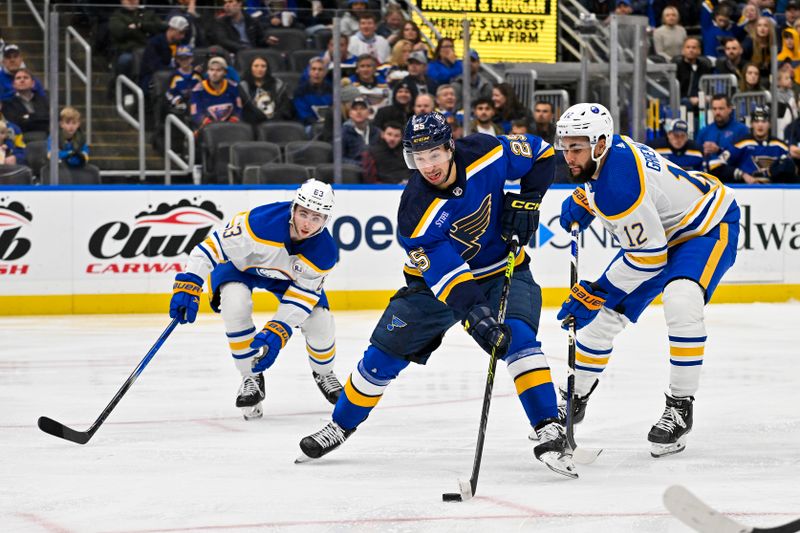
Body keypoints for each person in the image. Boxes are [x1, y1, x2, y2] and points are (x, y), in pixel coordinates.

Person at [297, 111, 578, 479]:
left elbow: (541, 155)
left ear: (450, 147)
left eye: (434, 154)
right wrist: (477, 317)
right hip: (432, 289)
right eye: (418, 156)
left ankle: (548, 427)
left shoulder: (486, 150)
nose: (427, 165)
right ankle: (340, 425)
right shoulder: (415, 212)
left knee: (520, 341)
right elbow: (448, 277)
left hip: (501, 271)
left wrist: (529, 201)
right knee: (381, 357)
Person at [555, 102, 740, 458]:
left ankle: (680, 406)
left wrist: (597, 291)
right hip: (660, 233)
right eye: (565, 147)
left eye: (575, 148)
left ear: (599, 144)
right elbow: (645, 242)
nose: (568, 156)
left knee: (682, 300)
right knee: (600, 322)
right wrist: (584, 197)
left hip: (705, 227)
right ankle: (575, 397)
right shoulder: (609, 157)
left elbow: (648, 258)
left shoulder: (619, 188)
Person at [168, 179, 344, 420]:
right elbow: (210, 248)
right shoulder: (259, 224)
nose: (307, 223)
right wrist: (190, 281)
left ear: (326, 220)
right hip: (240, 268)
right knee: (235, 305)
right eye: (304, 213)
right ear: (293, 208)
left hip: (285, 278)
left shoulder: (324, 252)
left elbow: (303, 295)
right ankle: (250, 376)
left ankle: (324, 372)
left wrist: (279, 328)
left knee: (320, 320)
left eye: (316, 217)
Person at [709, 106, 797, 184]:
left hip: (776, 192)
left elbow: (793, 169)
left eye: (764, 121)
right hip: (748, 192)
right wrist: (742, 175)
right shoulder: (742, 144)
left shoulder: (780, 145)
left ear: (770, 124)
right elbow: (715, 165)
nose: (760, 125)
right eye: (756, 121)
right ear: (751, 124)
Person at [45, 107, 100, 184]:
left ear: (78, 124)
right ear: (61, 124)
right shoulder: (54, 137)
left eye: (74, 123)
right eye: (67, 123)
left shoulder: (81, 137)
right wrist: (68, 153)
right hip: (60, 168)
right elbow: (51, 154)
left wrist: (79, 157)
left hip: (77, 167)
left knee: (93, 170)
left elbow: (85, 154)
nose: (71, 126)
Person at [190, 56, 242, 133]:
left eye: (218, 70)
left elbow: (238, 109)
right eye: (211, 70)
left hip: (230, 127)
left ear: (225, 72)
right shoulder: (198, 89)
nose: (214, 73)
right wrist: (210, 125)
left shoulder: (233, 86)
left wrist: (233, 121)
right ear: (207, 71)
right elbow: (195, 113)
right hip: (207, 129)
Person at [694, 94, 749, 166]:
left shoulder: (741, 130)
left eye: (721, 108)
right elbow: (696, 156)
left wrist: (719, 150)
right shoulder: (704, 131)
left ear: (730, 109)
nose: (717, 112)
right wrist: (703, 152)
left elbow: (743, 157)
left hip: (732, 174)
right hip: (709, 174)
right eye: (714, 109)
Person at [139, 15, 189, 93]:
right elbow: (155, 66)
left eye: (184, 33)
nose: (183, 36)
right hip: (153, 79)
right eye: (181, 33)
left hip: (175, 77)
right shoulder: (155, 43)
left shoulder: (180, 44)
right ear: (171, 29)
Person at [239, 54, 292, 125]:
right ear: (250, 68)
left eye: (263, 66)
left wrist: (275, 118)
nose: (259, 69)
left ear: (267, 68)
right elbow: (245, 110)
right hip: (251, 124)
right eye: (256, 66)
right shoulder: (243, 86)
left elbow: (284, 107)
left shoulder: (277, 85)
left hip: (276, 122)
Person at [2, 68, 50, 136]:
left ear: (33, 83)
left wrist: (28, 117)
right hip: (22, 139)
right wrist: (38, 118)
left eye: (26, 77)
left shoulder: (44, 100)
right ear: (14, 84)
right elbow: (16, 124)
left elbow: (49, 119)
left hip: (46, 136)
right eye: (18, 78)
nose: (22, 80)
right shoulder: (8, 104)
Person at [293, 57, 332, 133]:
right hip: (309, 126)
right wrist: (318, 124)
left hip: (329, 125)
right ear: (309, 71)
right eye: (313, 69)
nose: (316, 72)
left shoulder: (332, 90)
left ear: (325, 73)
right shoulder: (300, 91)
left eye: (320, 69)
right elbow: (303, 114)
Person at [165, 45, 202, 116]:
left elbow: (203, 89)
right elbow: (169, 93)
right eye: (181, 59)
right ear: (177, 60)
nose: (184, 61)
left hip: (197, 104)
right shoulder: (175, 76)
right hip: (182, 106)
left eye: (187, 58)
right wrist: (177, 101)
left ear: (192, 59)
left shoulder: (197, 75)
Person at [342, 96, 378, 164]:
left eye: (362, 108)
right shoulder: (343, 133)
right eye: (355, 109)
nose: (358, 112)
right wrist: (361, 165)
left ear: (369, 112)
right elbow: (338, 158)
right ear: (350, 114)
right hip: (352, 171)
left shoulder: (376, 132)